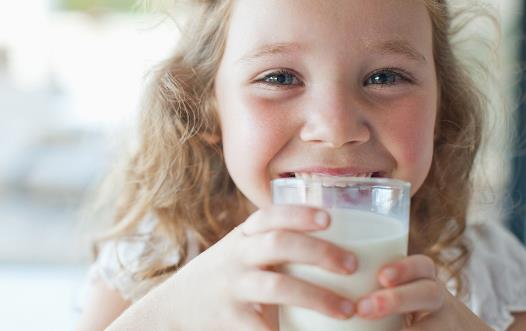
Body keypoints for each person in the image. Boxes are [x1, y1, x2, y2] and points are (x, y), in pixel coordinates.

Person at [75, 0, 526, 330]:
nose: (335, 128)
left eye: (385, 77)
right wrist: (166, 317)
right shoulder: (154, 261)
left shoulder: (485, 272)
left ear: (440, 109)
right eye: (279, 78)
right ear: (206, 108)